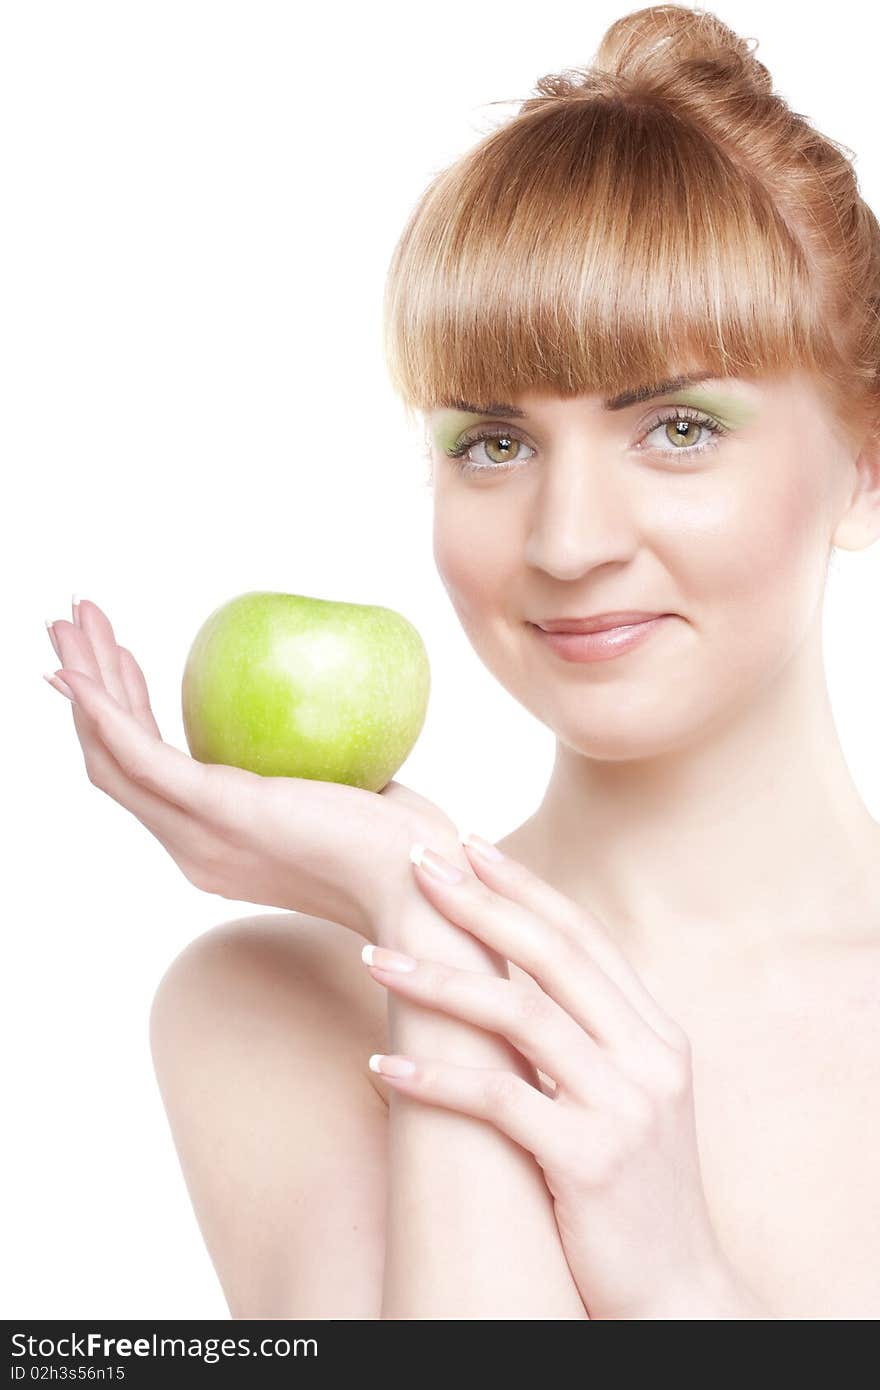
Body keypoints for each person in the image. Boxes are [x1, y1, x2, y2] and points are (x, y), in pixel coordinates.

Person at [44, 4, 880, 1319]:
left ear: (866, 466)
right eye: (493, 441)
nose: (566, 539)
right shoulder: (272, 1007)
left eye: (676, 426)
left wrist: (677, 1280)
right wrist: (427, 917)